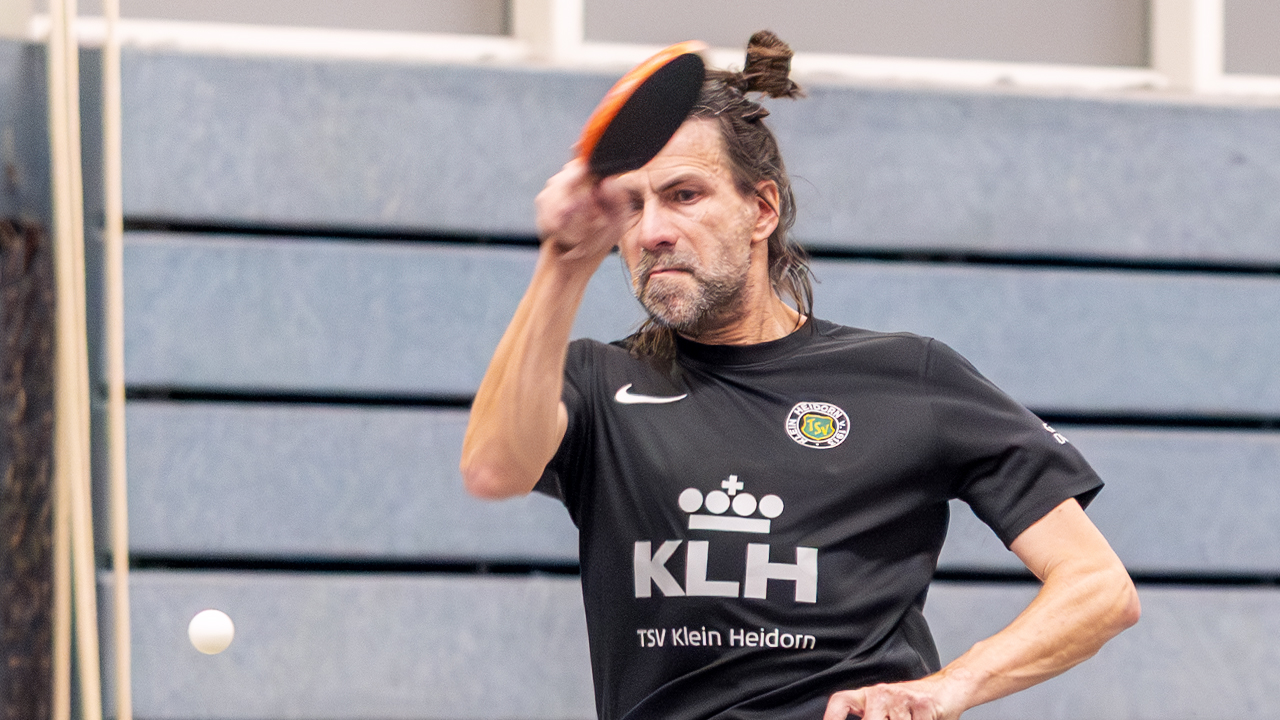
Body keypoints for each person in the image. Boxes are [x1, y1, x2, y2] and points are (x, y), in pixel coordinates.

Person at [460, 31, 1139, 720]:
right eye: (632, 207)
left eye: (684, 195)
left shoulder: (909, 378)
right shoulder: (596, 383)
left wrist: (944, 688)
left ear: (762, 209)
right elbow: (492, 470)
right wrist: (564, 261)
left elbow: (1098, 587)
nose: (652, 231)